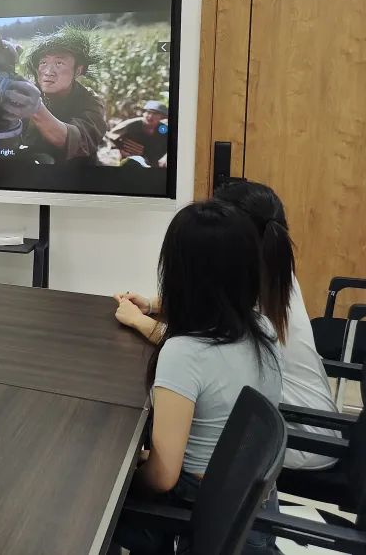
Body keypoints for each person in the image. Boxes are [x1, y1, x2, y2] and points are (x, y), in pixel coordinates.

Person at [116, 180, 339, 470]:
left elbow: (204, 355)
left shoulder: (254, 298)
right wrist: (153, 304)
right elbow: (214, 302)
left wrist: (140, 322)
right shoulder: (271, 272)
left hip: (300, 434)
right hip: (292, 422)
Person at [111, 200, 282, 555]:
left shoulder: (183, 353)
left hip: (195, 509)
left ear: (179, 273)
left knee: (90, 494)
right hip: (253, 510)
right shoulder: (262, 328)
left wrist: (125, 475)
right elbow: (209, 358)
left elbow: (163, 478)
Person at [19, 25, 107, 163]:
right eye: (43, 63)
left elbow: (74, 141)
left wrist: (35, 107)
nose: (48, 72)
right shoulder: (25, 92)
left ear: (77, 71)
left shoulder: (90, 101)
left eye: (59, 63)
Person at [106, 100, 169, 167]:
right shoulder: (131, 124)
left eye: (155, 114)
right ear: (144, 113)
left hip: (152, 160)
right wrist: (121, 149)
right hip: (130, 159)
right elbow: (111, 135)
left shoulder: (163, 128)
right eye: (148, 112)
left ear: (161, 117)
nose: (150, 116)